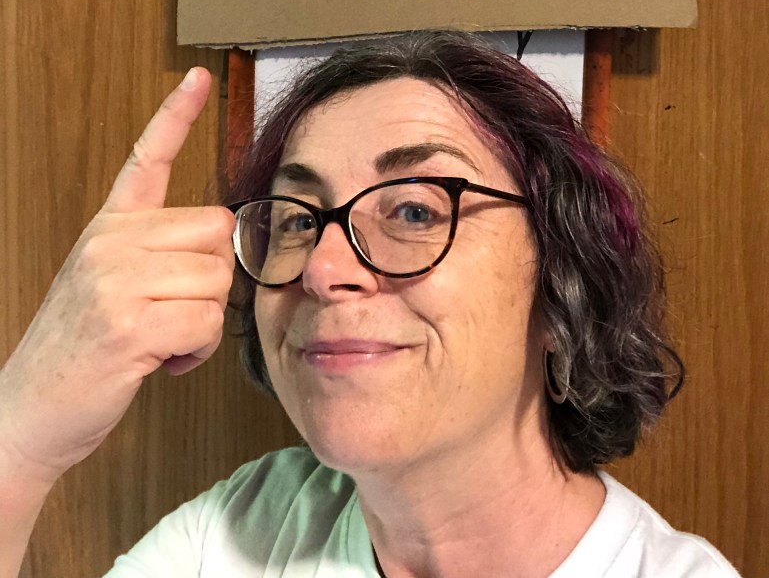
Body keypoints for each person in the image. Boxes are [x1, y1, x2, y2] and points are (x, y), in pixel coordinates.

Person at [0, 31, 740, 577]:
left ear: (560, 285)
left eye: (415, 211)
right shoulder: (240, 533)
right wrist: (23, 437)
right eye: (296, 219)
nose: (323, 269)